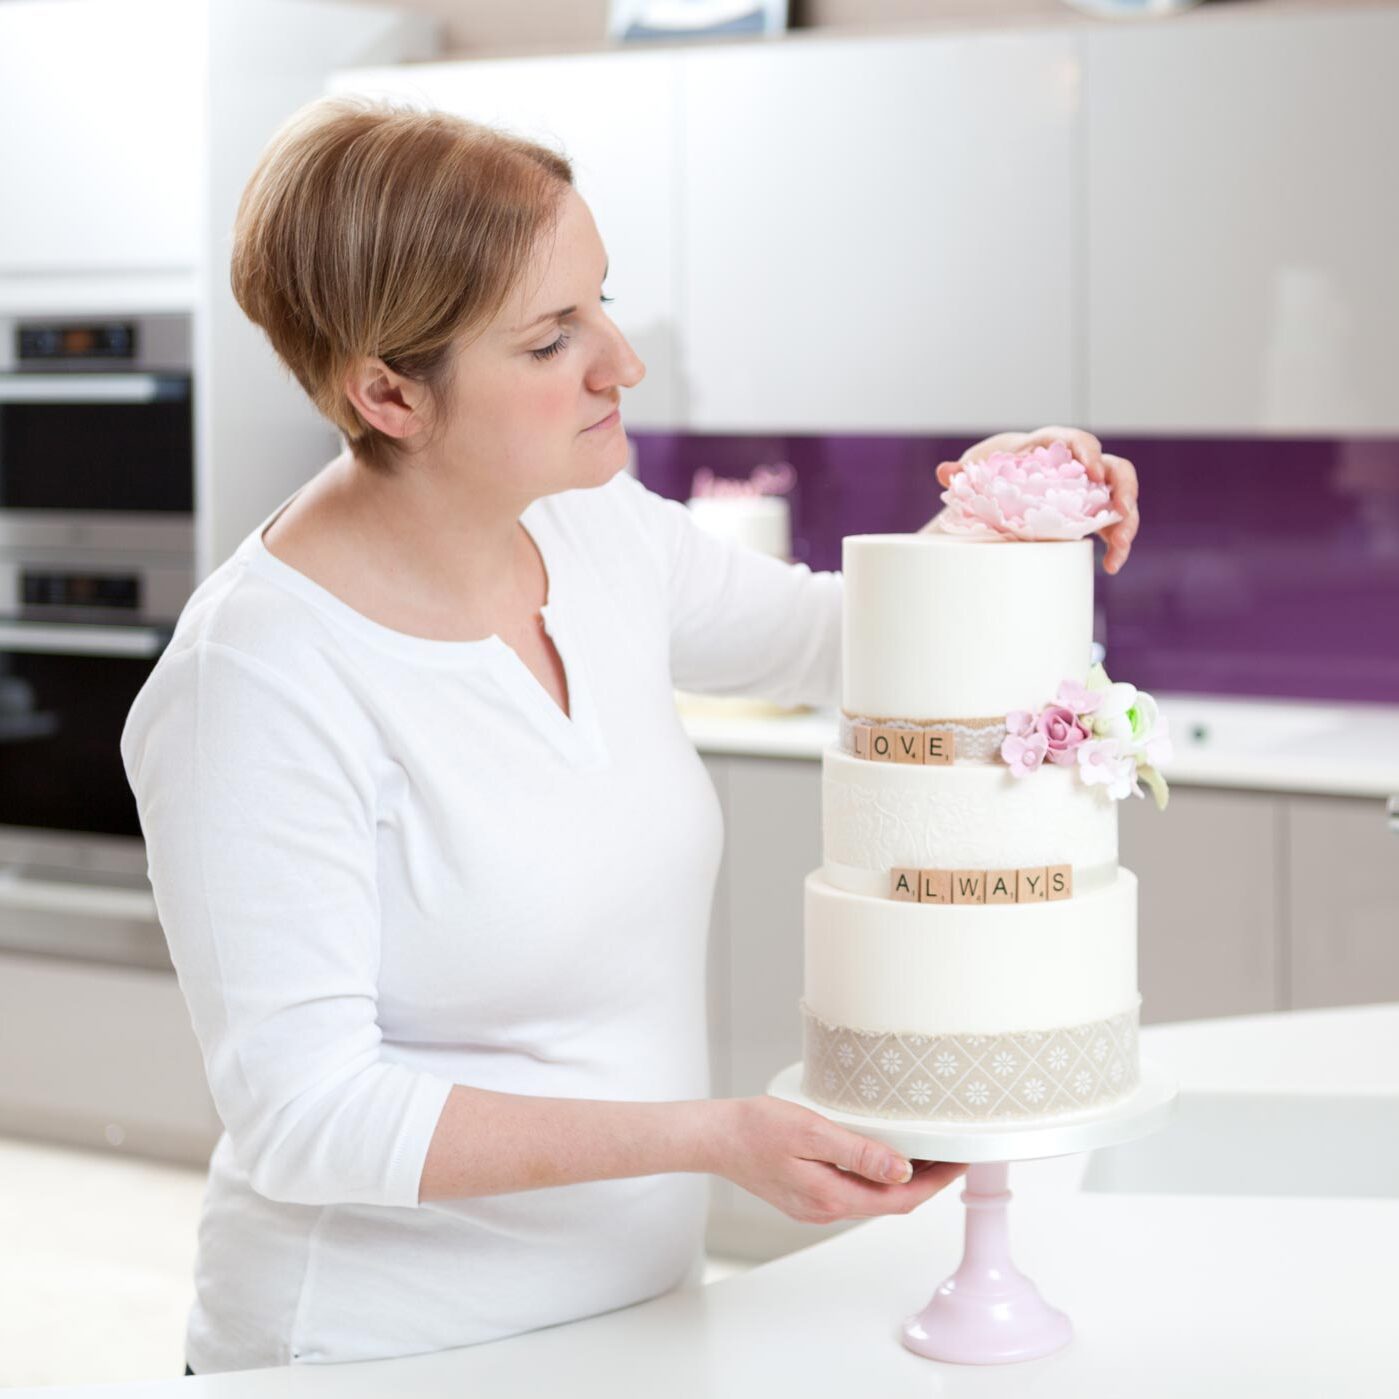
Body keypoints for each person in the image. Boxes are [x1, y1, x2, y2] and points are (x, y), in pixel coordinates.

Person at [121, 95, 1140, 1376]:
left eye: (600, 300)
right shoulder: (258, 682)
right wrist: (711, 1137)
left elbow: (845, 646)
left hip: (642, 1318)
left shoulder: (591, 529)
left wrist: (1005, 518)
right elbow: (304, 1117)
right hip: (378, 1353)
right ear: (389, 392)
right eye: (553, 340)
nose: (621, 361)